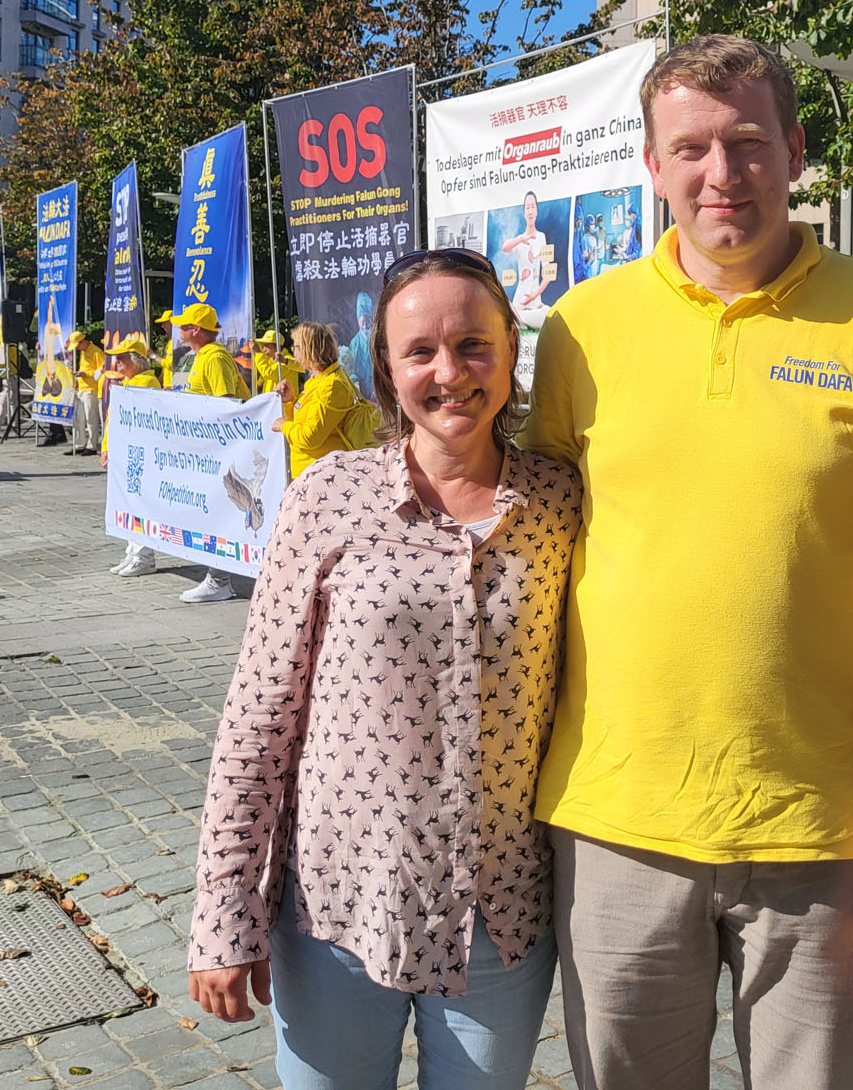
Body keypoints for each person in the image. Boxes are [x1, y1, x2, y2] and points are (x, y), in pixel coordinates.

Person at [524, 35, 853, 1090]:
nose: (722, 174)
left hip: (823, 824)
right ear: (652, 165)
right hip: (619, 820)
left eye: (749, 143)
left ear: (797, 151)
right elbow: (533, 536)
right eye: (691, 149)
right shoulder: (582, 329)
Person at [188, 247, 582, 1090]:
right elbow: (259, 714)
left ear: (511, 349)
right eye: (420, 352)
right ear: (386, 367)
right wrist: (225, 911)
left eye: (473, 345)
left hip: (499, 914)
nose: (450, 373)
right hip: (339, 905)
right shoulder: (328, 496)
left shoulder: (561, 502)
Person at [175, 302, 246, 603]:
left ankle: (219, 580)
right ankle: (218, 578)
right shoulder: (203, 356)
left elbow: (226, 403)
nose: (179, 329)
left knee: (219, 512)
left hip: (220, 451)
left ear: (196, 330)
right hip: (207, 451)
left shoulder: (214, 357)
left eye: (184, 325)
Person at [104, 335, 166, 577]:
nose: (117, 362)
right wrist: (107, 447)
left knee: (141, 504)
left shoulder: (147, 382)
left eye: (122, 358)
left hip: (140, 453)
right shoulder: (130, 382)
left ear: (137, 360)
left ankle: (144, 556)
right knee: (129, 503)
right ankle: (133, 552)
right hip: (127, 452)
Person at [272, 322, 357, 479]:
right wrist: (290, 402)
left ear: (308, 349)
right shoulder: (318, 379)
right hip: (312, 475)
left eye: (295, 347)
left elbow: (310, 438)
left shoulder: (331, 385)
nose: (293, 351)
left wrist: (284, 425)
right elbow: (303, 423)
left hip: (324, 478)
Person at [499, 191, 555, 328]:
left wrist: (534, 296)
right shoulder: (520, 240)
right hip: (521, 299)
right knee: (516, 316)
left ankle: (519, 317)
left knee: (547, 314)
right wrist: (521, 239)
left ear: (537, 211)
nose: (530, 211)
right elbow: (505, 247)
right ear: (524, 213)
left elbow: (547, 274)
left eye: (532, 207)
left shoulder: (541, 237)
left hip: (535, 300)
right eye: (527, 207)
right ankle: (517, 316)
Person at [69, 331, 105, 455]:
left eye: (78, 346)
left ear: (83, 342)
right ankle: (80, 444)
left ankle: (92, 445)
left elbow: (102, 370)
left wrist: (86, 374)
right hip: (82, 388)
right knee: (79, 418)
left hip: (91, 389)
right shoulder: (84, 351)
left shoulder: (96, 352)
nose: (77, 349)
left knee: (91, 418)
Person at [341, 292, 375, 399]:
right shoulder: (355, 342)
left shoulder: (376, 339)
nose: (365, 325)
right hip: (361, 392)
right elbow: (351, 367)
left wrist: (377, 386)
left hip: (377, 390)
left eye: (367, 321)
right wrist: (355, 384)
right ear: (358, 321)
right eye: (363, 322)